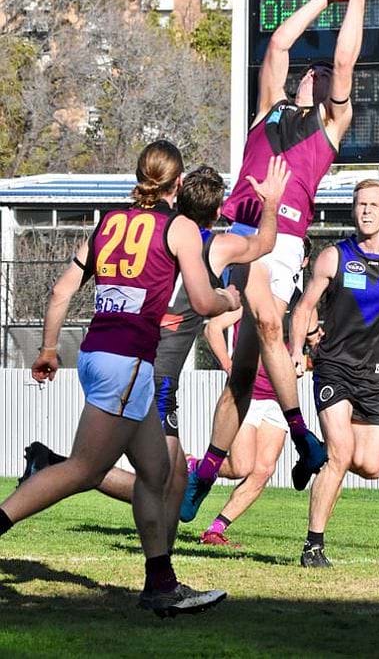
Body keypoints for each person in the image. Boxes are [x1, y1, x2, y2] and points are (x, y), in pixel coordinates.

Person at [0, 142, 245, 616]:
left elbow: (60, 291)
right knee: (84, 469)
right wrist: (230, 300)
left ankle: (161, 584)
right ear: (178, 185)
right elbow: (200, 300)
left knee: (159, 473)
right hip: (128, 362)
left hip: (98, 356)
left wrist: (49, 349)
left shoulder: (108, 222)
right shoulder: (180, 228)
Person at [182, 0, 376, 520]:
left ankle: (215, 470)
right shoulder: (267, 110)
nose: (314, 73)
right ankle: (296, 440)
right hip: (238, 230)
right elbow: (279, 46)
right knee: (255, 346)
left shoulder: (329, 127)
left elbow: (343, 64)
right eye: (309, 73)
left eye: (321, 75)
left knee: (251, 355)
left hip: (281, 241)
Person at [16, 162, 290, 552]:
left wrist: (49, 347)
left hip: (117, 357)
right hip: (145, 372)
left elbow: (68, 291)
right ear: (216, 211)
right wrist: (272, 203)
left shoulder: (152, 232)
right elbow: (262, 246)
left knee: (170, 478)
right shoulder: (202, 243)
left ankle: (162, 575)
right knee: (112, 472)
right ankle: (49, 469)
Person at [288, 180, 379, 568]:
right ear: (354, 209)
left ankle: (316, 455)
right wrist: (298, 350)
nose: (366, 211)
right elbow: (303, 307)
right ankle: (313, 546)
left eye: (373, 205)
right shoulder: (333, 257)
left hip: (378, 372)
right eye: (360, 204)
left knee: (372, 465)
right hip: (335, 368)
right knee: (342, 455)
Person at [198, 239, 313, 546]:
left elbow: (310, 346)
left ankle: (216, 530)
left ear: (302, 263)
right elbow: (213, 328)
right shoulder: (263, 295)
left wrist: (303, 361)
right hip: (249, 394)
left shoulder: (303, 304)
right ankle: (193, 467)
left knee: (263, 470)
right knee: (240, 467)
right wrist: (229, 366)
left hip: (279, 400)